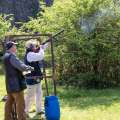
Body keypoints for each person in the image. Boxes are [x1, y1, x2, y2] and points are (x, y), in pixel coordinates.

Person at [3, 41, 33, 120]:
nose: (15, 47)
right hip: (16, 84)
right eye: (14, 46)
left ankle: (7, 118)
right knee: (20, 105)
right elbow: (21, 66)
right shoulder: (11, 56)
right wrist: (29, 68)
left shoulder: (5, 56)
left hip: (9, 84)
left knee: (9, 104)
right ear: (11, 47)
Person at [24, 40, 49, 116]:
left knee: (39, 94)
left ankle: (39, 110)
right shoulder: (30, 54)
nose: (36, 47)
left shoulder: (32, 53)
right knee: (30, 96)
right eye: (34, 46)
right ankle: (25, 111)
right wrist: (41, 48)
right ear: (31, 47)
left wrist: (44, 46)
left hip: (36, 77)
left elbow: (41, 51)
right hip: (31, 78)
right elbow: (41, 56)